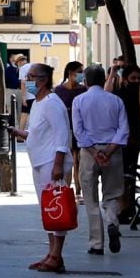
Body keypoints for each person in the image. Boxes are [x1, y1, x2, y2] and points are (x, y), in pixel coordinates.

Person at [11, 62, 71, 273]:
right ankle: (52, 253)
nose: (26, 81)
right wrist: (19, 132)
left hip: (50, 162)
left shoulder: (52, 103)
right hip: (39, 161)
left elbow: (61, 134)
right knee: (48, 209)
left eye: (31, 77)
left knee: (57, 206)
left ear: (43, 80)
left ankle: (56, 254)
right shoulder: (38, 103)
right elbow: (38, 132)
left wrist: (58, 164)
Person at [73, 63, 128, 256]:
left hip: (89, 152)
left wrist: (95, 152)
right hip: (113, 151)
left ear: (85, 81)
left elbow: (78, 131)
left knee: (90, 197)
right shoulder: (116, 101)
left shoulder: (79, 101)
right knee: (112, 193)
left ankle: (96, 244)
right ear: (105, 79)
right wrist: (110, 149)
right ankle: (112, 221)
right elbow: (123, 128)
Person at [105, 59, 140, 223]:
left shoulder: (139, 89)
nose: (136, 81)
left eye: (138, 78)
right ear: (126, 77)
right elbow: (106, 93)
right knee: (120, 174)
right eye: (133, 78)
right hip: (120, 136)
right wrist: (113, 72)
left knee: (130, 173)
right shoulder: (118, 88)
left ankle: (129, 208)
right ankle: (122, 207)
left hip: (134, 135)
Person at [54, 61, 86, 198]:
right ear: (71, 73)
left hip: (79, 128)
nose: (81, 75)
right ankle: (66, 190)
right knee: (68, 160)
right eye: (79, 71)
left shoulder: (83, 90)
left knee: (78, 159)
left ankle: (79, 190)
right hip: (65, 129)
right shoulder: (59, 90)